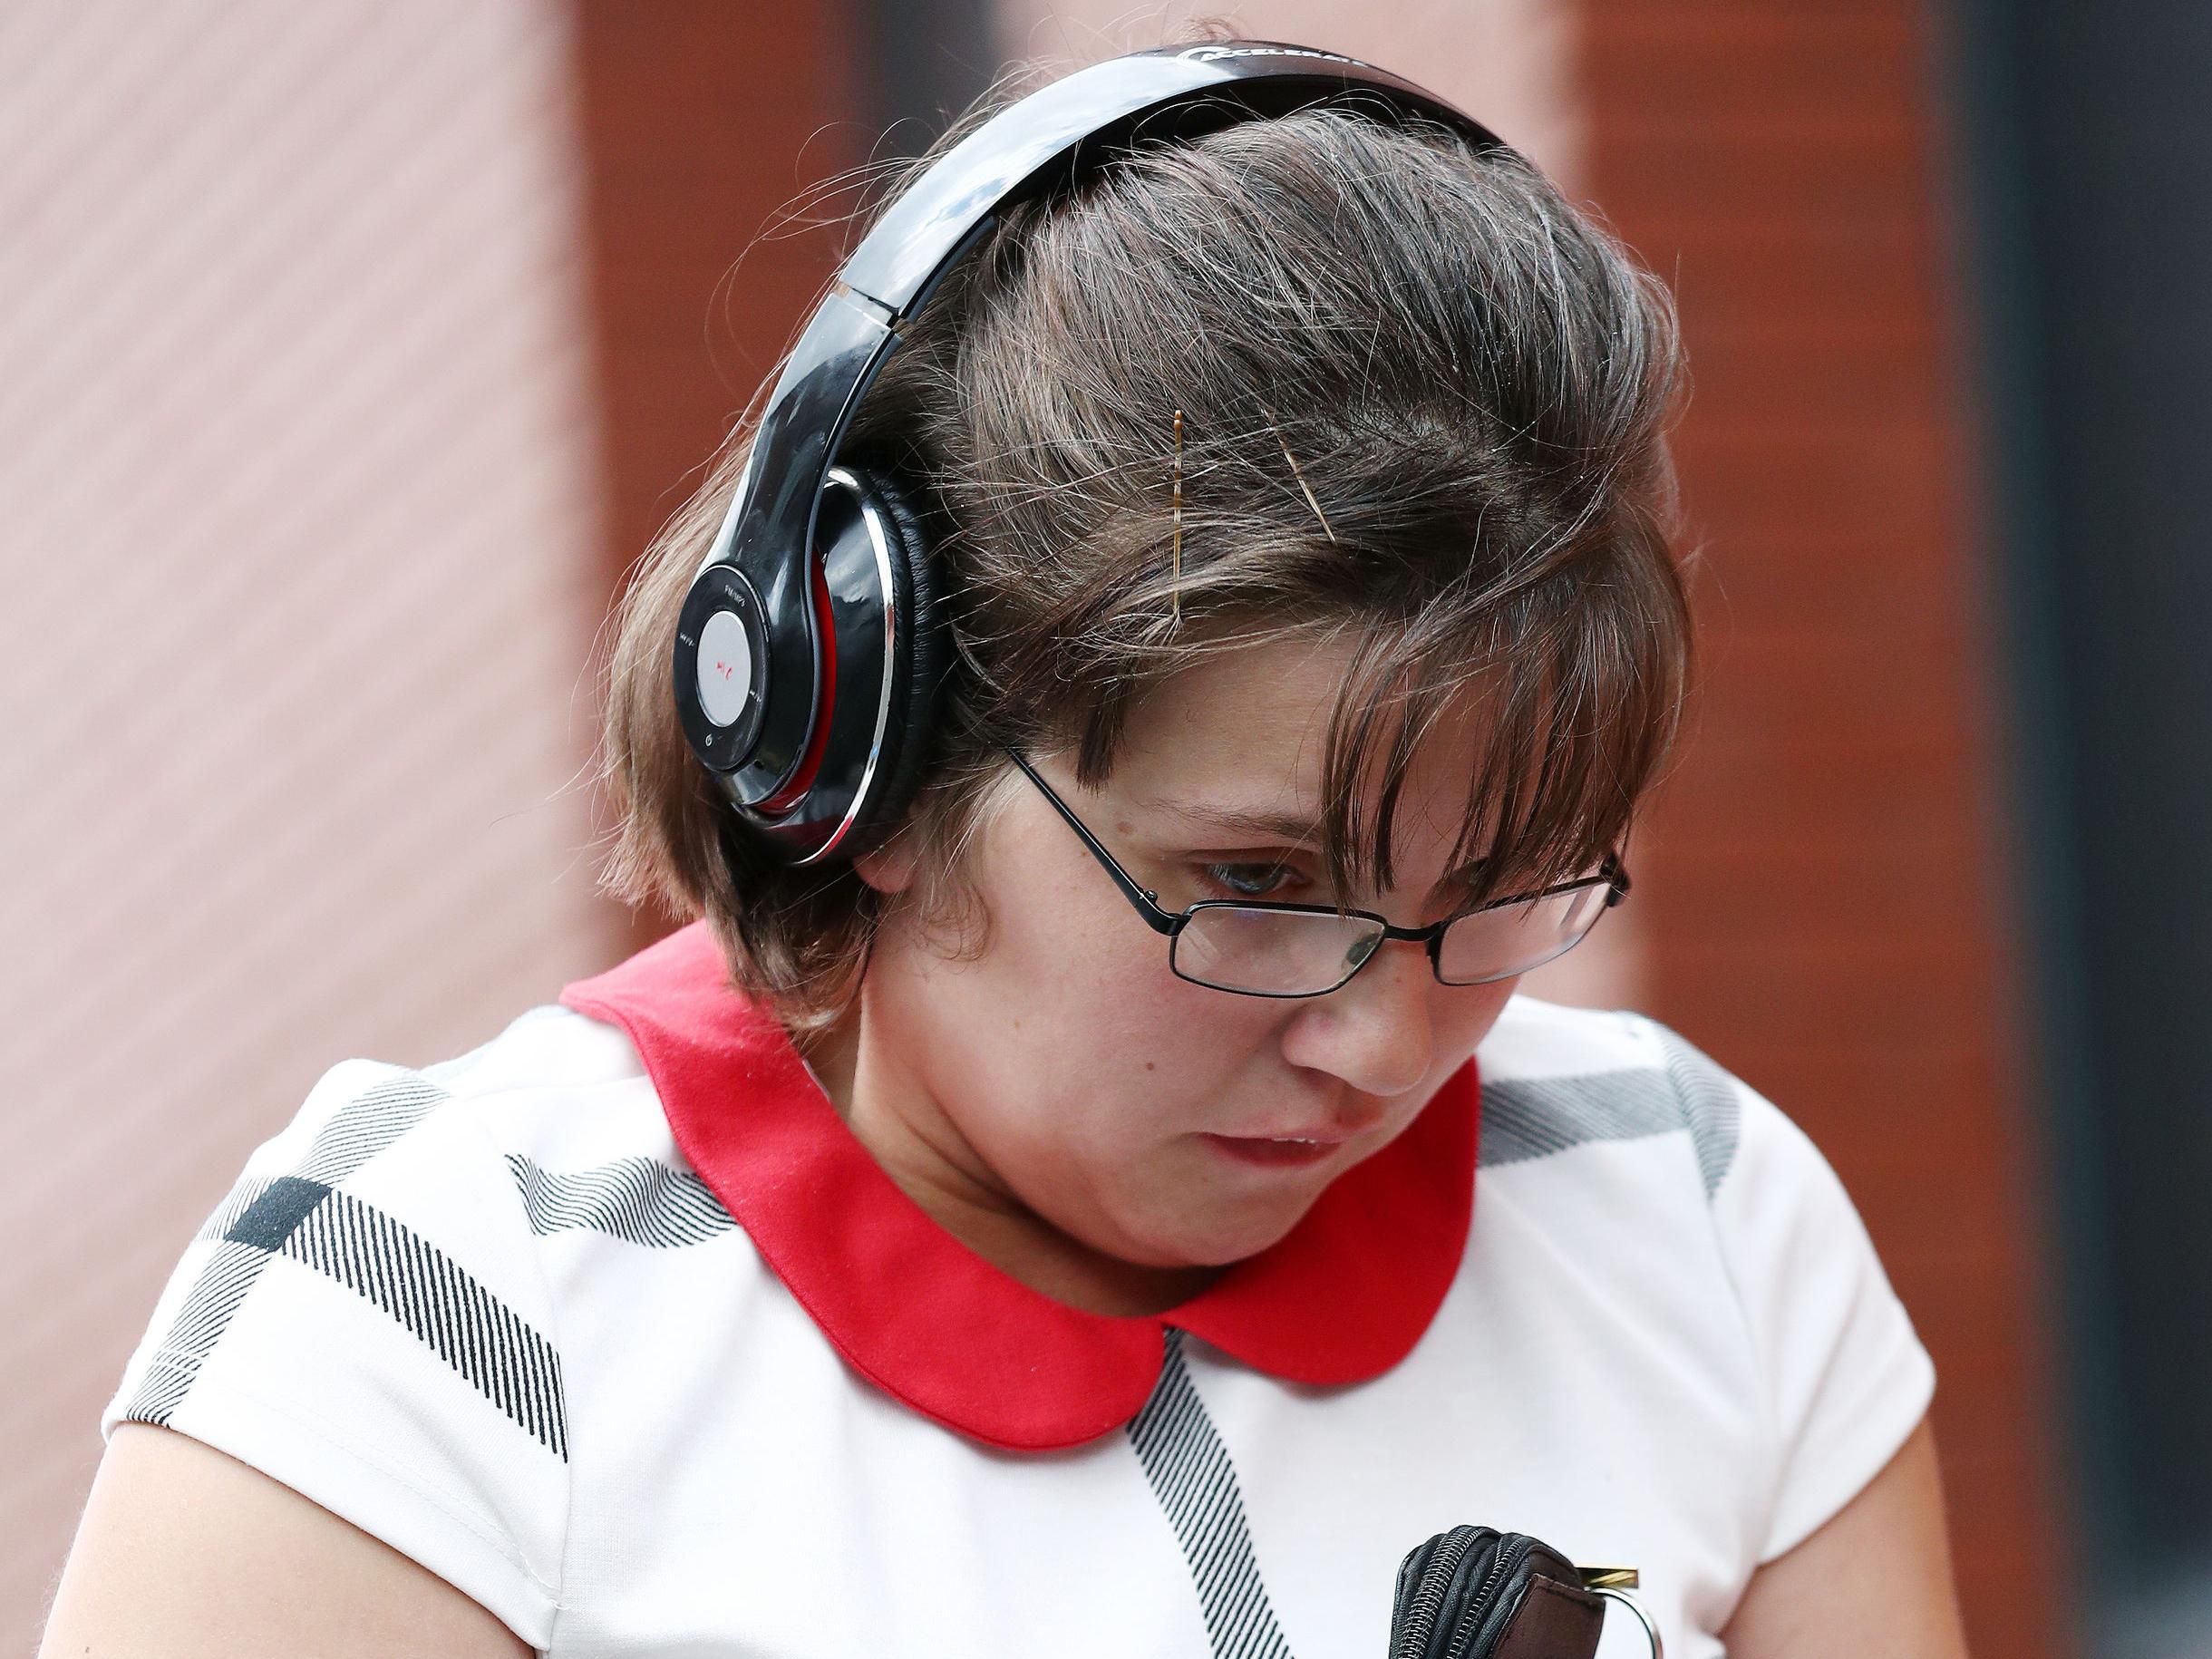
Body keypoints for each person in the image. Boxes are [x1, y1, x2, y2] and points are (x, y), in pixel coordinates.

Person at [41, 40, 1971, 1659]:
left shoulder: (1692, 1217)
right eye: (1258, 891)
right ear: (869, 751)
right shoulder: (436, 1328)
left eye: (1497, 894)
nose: (1383, 1046)